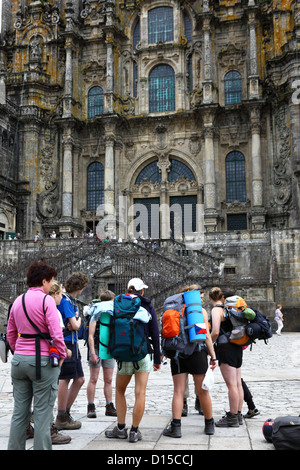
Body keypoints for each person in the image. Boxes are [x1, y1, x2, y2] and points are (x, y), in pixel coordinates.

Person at [6, 261, 67, 450]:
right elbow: (56, 333)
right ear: (43, 281)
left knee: (19, 413)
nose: (51, 285)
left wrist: (20, 351)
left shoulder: (18, 300)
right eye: (50, 281)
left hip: (19, 361)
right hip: (41, 362)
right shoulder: (46, 300)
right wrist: (62, 353)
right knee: (42, 413)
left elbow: (10, 333)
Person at [105, 278, 161, 443]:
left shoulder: (118, 304)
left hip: (123, 354)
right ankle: (135, 431)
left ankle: (121, 428)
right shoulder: (146, 305)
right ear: (141, 291)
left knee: (120, 390)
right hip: (142, 353)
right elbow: (155, 334)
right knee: (140, 393)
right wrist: (157, 358)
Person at [162, 285, 216, 438]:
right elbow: (205, 336)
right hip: (197, 353)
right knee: (203, 391)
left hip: (178, 354)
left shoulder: (174, 310)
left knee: (178, 391)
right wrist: (213, 356)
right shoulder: (199, 312)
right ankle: (209, 424)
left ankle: (176, 427)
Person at [54, 272, 89, 431]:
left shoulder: (68, 300)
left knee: (78, 379)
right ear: (80, 287)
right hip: (68, 342)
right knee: (66, 378)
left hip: (72, 342)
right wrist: (80, 320)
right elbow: (75, 325)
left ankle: (64, 413)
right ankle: (62, 415)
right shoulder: (67, 301)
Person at [210, 286, 244, 427]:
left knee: (231, 385)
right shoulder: (232, 309)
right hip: (237, 346)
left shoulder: (217, 310)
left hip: (225, 348)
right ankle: (239, 414)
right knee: (237, 383)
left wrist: (209, 344)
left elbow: (216, 331)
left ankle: (232, 417)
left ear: (211, 298)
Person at [87, 290, 117, 418]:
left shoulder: (113, 314)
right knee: (93, 379)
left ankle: (109, 406)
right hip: (97, 349)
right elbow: (90, 336)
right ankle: (91, 406)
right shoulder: (96, 313)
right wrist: (93, 353)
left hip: (109, 349)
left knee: (109, 379)